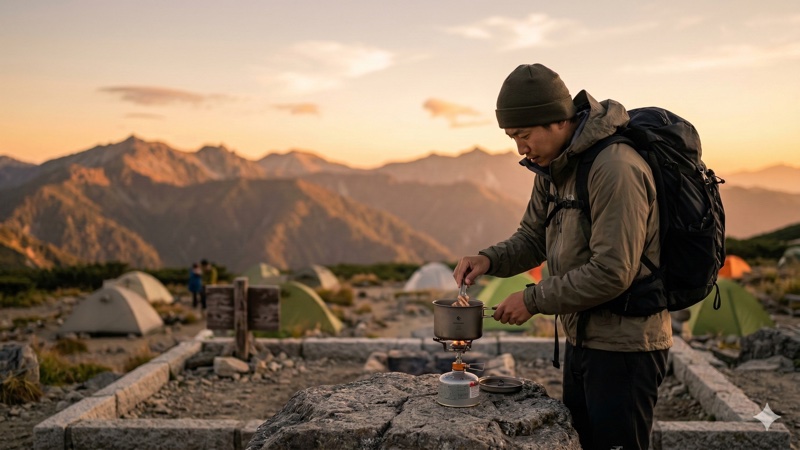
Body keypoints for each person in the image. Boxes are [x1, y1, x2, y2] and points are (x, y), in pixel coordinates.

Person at [453, 63, 671, 450]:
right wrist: (488, 260)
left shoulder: (615, 168)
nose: (519, 148)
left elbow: (612, 272)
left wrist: (533, 300)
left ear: (557, 121)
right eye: (511, 137)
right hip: (583, 339)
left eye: (523, 135)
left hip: (626, 349)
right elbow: (532, 238)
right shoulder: (553, 168)